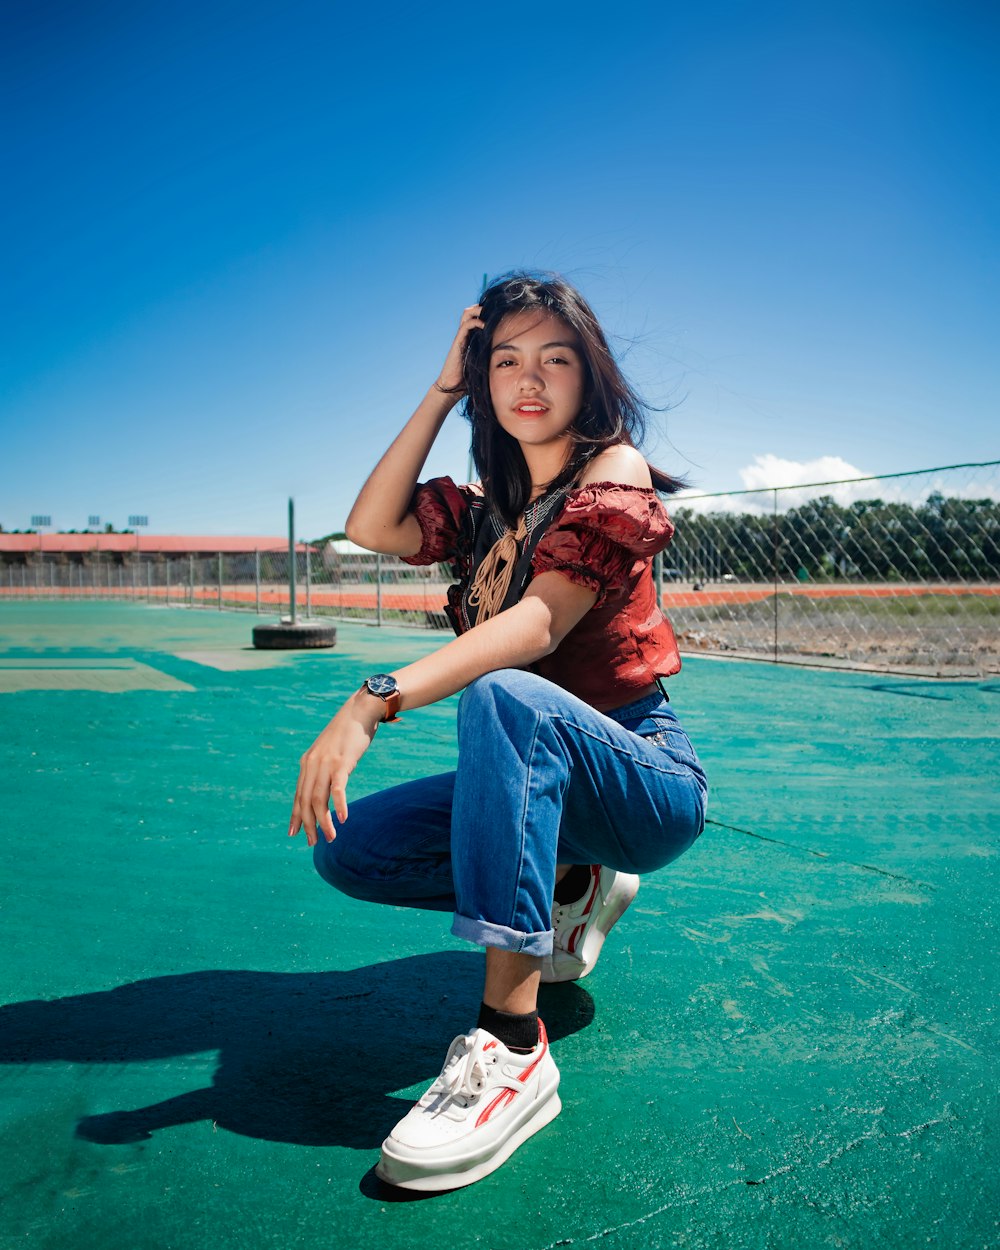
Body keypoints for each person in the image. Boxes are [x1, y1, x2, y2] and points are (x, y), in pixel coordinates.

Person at [288, 271, 707, 1191]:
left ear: (589, 379)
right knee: (350, 850)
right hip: (539, 781)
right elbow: (371, 524)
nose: (529, 379)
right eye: (505, 361)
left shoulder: (613, 472)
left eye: (555, 359)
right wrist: (442, 390)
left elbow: (537, 627)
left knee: (506, 692)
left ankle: (514, 1045)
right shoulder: (485, 507)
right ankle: (569, 877)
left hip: (643, 773)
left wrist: (373, 700)